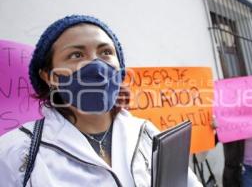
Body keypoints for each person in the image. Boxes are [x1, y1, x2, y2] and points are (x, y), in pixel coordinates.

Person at [0, 15, 202, 187]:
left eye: (106, 52)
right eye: (76, 54)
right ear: (50, 76)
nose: (96, 66)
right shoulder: (16, 151)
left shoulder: (148, 133)